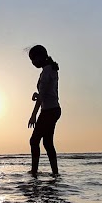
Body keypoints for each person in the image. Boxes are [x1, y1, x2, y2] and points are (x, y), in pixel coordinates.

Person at [27, 44, 61, 177]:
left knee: (34, 140)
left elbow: (43, 96)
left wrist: (33, 115)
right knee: (47, 142)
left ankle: (34, 171)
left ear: (41, 56)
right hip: (53, 109)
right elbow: (46, 93)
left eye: (34, 59)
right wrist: (37, 95)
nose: (33, 63)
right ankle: (55, 173)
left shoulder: (47, 71)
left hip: (49, 111)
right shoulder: (50, 69)